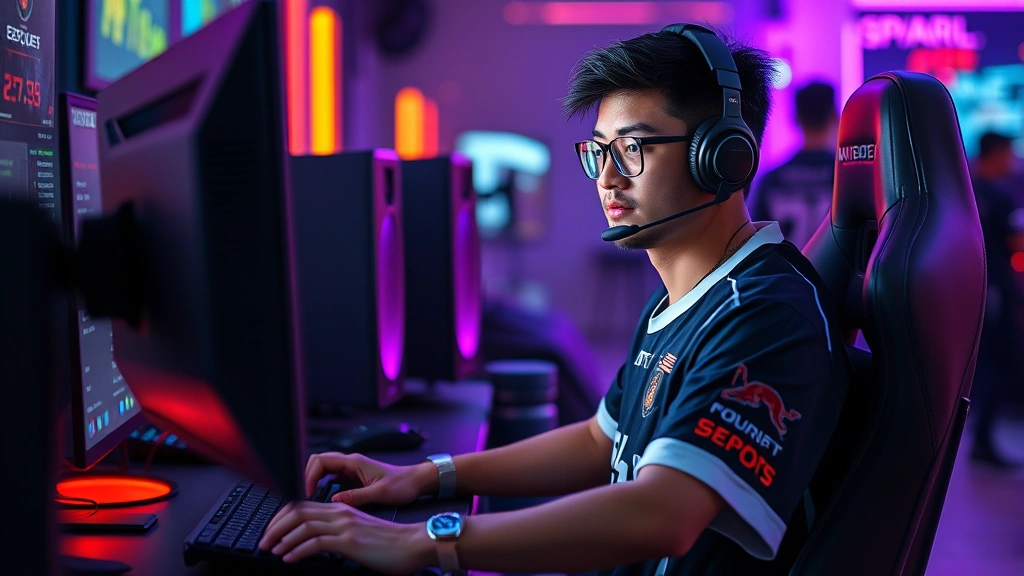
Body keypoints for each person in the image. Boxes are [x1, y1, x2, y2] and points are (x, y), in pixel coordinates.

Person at [258, 25, 849, 575]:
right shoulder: (685, 296)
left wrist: (423, 541)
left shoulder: (766, 312)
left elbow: (663, 514)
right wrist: (425, 477)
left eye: (633, 150)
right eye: (599, 151)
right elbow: (600, 439)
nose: (608, 178)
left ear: (724, 159)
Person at [969, 131, 1022, 468]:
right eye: (1009, 154)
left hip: (969, 290)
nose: (1013, 161)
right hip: (997, 292)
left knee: (984, 366)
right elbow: (1016, 244)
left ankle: (981, 441)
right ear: (997, 153)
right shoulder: (1001, 198)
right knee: (1002, 366)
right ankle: (983, 444)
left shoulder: (965, 193)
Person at [749, 81, 838, 249]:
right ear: (835, 116)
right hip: (834, 274)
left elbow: (756, 240)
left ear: (796, 118)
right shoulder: (848, 178)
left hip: (785, 272)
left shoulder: (772, 180)